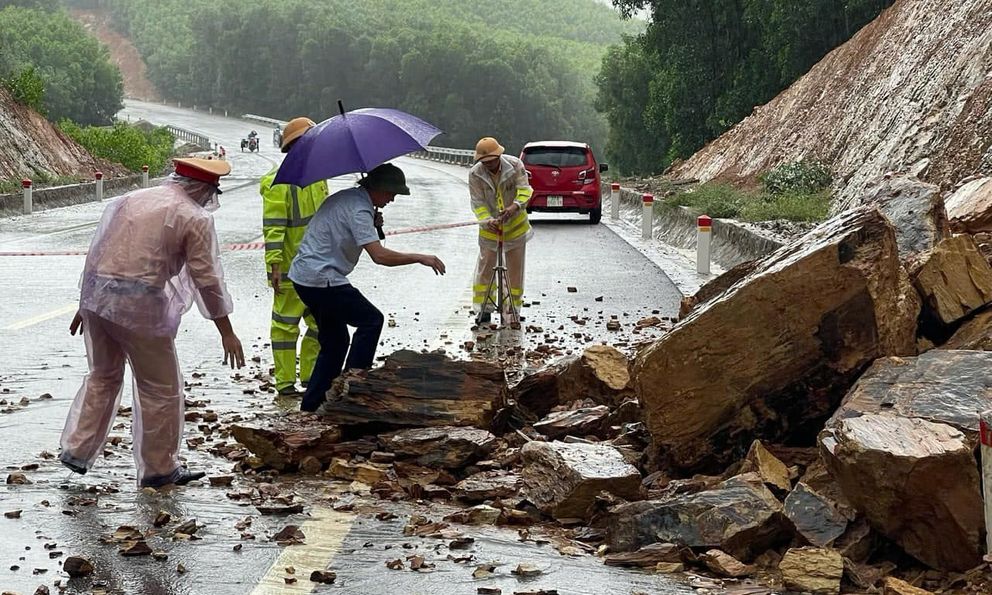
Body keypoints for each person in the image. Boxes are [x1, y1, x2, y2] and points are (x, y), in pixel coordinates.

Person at [59, 157, 245, 488]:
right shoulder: (193, 216)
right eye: (211, 193)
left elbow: (99, 251)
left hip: (99, 299)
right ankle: (159, 469)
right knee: (160, 389)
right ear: (203, 188)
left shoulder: (130, 200)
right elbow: (208, 280)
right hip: (140, 306)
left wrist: (85, 303)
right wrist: (226, 332)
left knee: (103, 375)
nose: (209, 201)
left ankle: (77, 450)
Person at [289, 163, 445, 412]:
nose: (392, 199)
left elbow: (356, 233)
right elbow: (379, 256)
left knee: (336, 342)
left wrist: (374, 224)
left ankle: (313, 404)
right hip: (322, 278)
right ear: (379, 188)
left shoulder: (350, 199)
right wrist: (419, 257)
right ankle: (354, 387)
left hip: (306, 276)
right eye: (392, 194)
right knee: (371, 320)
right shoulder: (359, 209)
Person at [259, 117, 328, 395]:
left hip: (318, 267)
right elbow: (273, 228)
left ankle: (310, 376)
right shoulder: (280, 183)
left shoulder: (318, 178)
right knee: (286, 326)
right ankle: (285, 381)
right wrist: (274, 265)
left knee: (319, 322)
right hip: (288, 269)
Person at [468, 136, 533, 323]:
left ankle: (512, 309)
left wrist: (514, 207)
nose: (488, 165)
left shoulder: (515, 165)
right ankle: (483, 309)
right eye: (484, 162)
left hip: (515, 226)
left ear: (499, 156)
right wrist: (486, 219)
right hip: (490, 228)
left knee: (514, 270)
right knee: (486, 267)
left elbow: (524, 190)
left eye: (491, 161)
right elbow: (478, 202)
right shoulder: (475, 174)